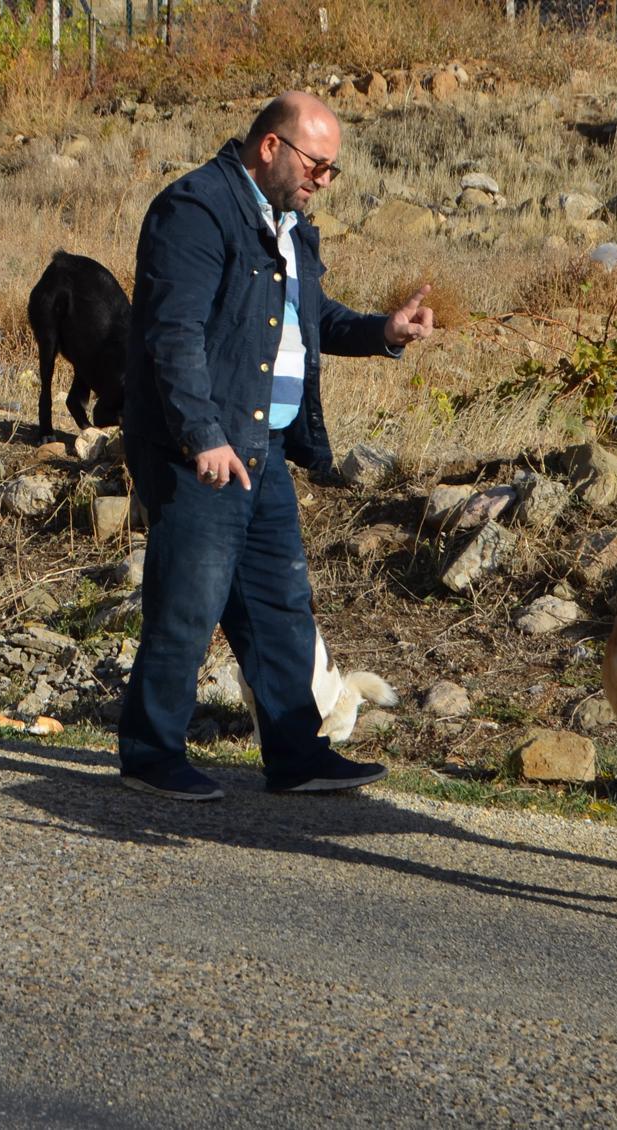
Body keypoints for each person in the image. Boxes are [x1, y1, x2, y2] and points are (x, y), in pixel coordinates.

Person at [117, 91, 435, 801]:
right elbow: (172, 335)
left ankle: (296, 756)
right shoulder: (195, 211)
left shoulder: (288, 225)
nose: (324, 179)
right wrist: (202, 435)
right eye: (318, 164)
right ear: (271, 147)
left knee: (278, 605)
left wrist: (383, 331)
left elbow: (309, 317)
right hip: (200, 451)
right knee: (187, 605)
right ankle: (149, 753)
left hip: (259, 446)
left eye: (333, 170)